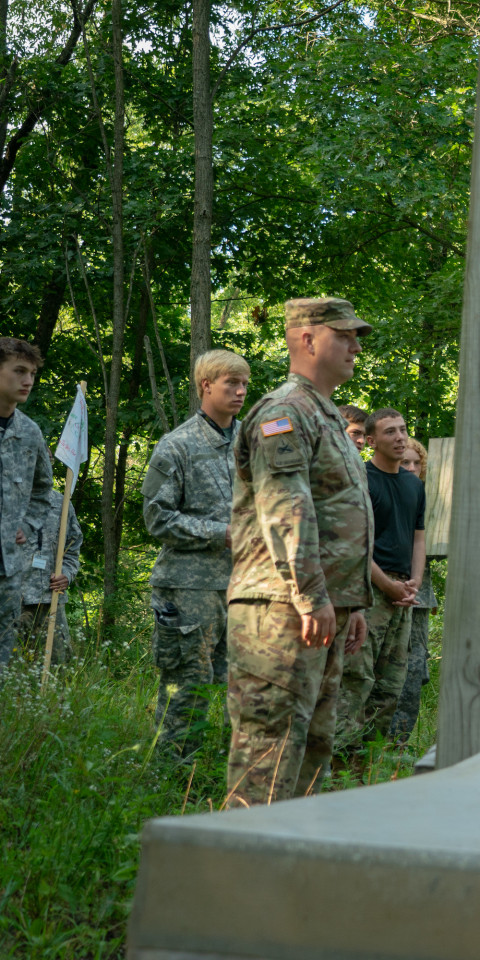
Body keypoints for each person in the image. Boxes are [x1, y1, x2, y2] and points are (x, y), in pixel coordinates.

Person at [225, 298, 374, 807]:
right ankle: (238, 877)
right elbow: (286, 510)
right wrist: (311, 596)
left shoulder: (326, 415)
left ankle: (293, 874)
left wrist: (350, 604)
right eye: (346, 335)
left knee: (313, 753)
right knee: (268, 755)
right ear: (307, 340)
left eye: (358, 337)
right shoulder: (286, 411)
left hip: (320, 612)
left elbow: (339, 517)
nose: (356, 346)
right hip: (281, 609)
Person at [142, 348, 249, 757]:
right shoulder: (176, 446)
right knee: (188, 688)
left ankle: (210, 780)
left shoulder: (250, 443)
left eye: (244, 385)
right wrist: (220, 533)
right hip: (188, 589)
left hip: (242, 587)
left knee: (234, 689)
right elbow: (157, 518)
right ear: (206, 385)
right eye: (231, 384)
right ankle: (169, 781)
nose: (240, 392)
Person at [336, 408, 426, 752]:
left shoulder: (413, 484)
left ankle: (367, 769)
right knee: (356, 680)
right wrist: (387, 586)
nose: (400, 437)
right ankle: (339, 765)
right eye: (390, 432)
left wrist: (414, 581)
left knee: (390, 687)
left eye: (403, 430)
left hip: (403, 592)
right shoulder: (360, 480)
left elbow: (419, 536)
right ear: (371, 441)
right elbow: (353, 542)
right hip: (368, 591)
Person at [0, 337, 52, 674]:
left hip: (8, 569)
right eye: (19, 371)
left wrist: (27, 526)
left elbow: (43, 490)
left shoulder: (30, 432)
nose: (28, 381)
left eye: (32, 373)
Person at [390, 438, 436, 745]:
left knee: (414, 667)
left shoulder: (434, 505)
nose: (410, 468)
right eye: (404, 462)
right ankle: (371, 746)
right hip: (384, 591)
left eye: (415, 463)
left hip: (417, 597)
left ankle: (399, 746)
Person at [18, 484, 82, 663]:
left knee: (57, 668)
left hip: (50, 600)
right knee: (10, 672)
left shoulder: (61, 503)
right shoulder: (7, 501)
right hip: (11, 601)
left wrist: (67, 575)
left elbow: (72, 548)